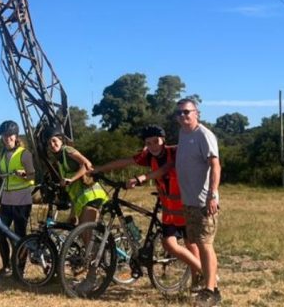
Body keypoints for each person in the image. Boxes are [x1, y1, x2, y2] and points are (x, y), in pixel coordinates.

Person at [93, 124, 201, 281]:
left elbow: (166, 168)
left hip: (186, 207)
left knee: (191, 244)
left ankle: (200, 276)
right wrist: (99, 169)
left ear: (163, 140)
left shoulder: (175, 152)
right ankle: (203, 272)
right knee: (170, 244)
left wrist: (141, 178)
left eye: (156, 141)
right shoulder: (148, 156)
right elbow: (125, 162)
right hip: (169, 211)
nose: (153, 146)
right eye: (148, 143)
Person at [175, 99, 222, 306]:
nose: (183, 116)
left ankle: (211, 291)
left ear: (197, 113)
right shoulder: (183, 135)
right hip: (189, 202)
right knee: (194, 243)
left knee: (205, 245)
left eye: (187, 112)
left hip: (204, 202)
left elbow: (215, 165)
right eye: (179, 113)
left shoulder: (204, 135)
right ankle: (206, 281)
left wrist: (212, 195)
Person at [0, 119, 35, 277]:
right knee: (0, 232)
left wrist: (24, 175)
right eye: (4, 136)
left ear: (16, 136)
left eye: (10, 135)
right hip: (6, 201)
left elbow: (33, 175)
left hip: (21, 202)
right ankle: (6, 266)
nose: (7, 138)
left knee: (20, 236)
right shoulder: (2, 154)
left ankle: (19, 269)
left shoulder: (24, 154)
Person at [45, 126, 107, 225]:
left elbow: (87, 164)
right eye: (49, 143)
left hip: (91, 195)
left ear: (61, 140)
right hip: (80, 199)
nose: (52, 145)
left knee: (84, 231)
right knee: (74, 226)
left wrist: (71, 179)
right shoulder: (59, 159)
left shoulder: (67, 150)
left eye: (54, 141)